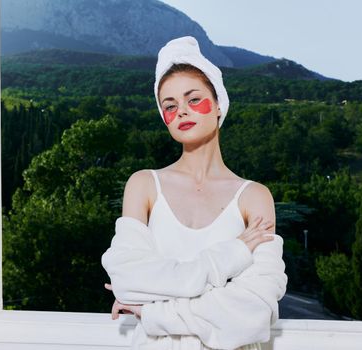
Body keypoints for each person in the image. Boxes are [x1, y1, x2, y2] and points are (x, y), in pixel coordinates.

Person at [101, 36, 287, 350]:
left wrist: (153, 313)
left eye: (193, 99)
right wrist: (232, 255)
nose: (182, 112)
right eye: (170, 106)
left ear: (218, 104)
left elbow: (252, 313)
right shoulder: (144, 185)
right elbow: (129, 285)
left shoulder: (254, 197)